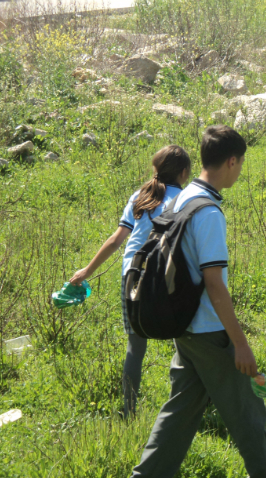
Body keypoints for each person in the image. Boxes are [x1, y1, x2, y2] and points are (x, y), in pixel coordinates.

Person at [129, 125, 266, 478]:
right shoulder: (209, 213)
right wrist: (241, 344)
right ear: (231, 161)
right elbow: (215, 285)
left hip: (184, 326)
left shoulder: (182, 197)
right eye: (241, 163)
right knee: (248, 413)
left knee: (179, 413)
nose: (240, 170)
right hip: (211, 332)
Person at [70, 145, 191, 417]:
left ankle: (128, 411)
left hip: (132, 276)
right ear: (184, 173)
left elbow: (116, 240)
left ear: (155, 169)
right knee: (183, 341)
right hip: (167, 276)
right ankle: (182, 408)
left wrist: (86, 271)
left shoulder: (140, 196)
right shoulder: (185, 199)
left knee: (135, 348)